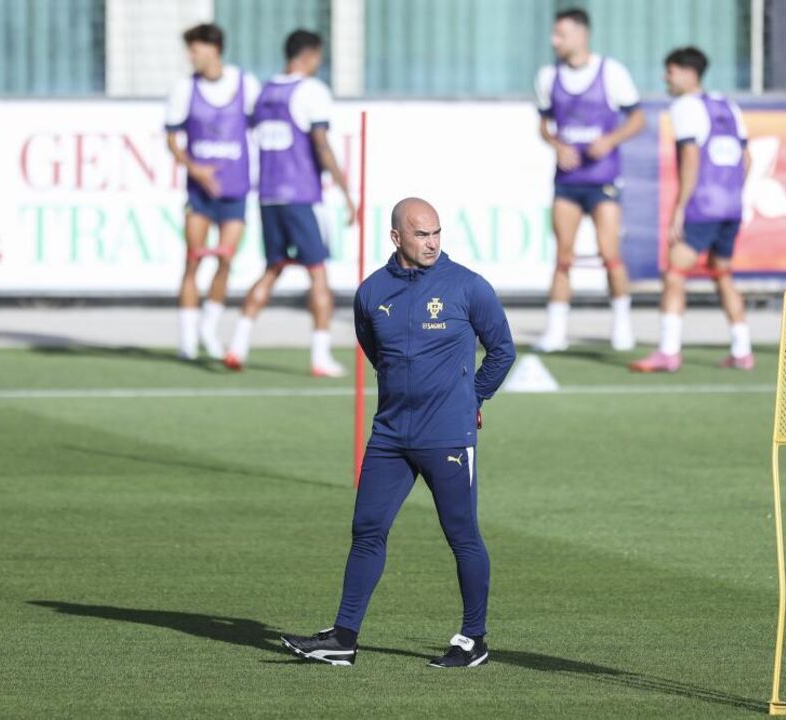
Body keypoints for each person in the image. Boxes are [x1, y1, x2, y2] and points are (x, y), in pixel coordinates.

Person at [280, 198, 516, 668]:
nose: (431, 243)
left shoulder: (468, 287)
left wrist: (473, 400)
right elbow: (377, 354)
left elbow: (502, 351)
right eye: (421, 235)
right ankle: (343, 639)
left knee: (462, 535)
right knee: (366, 530)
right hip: (389, 436)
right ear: (396, 238)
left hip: (447, 437)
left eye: (436, 233)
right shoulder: (371, 293)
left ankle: (474, 640)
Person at [225, 29, 357, 376]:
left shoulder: (266, 91)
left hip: (269, 197)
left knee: (273, 269)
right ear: (311, 55)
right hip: (301, 194)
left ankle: (238, 344)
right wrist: (345, 190)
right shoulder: (312, 91)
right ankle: (320, 355)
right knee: (318, 275)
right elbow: (320, 143)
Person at [631, 47, 753, 372]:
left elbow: (690, 159)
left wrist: (680, 208)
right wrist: (735, 192)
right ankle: (743, 350)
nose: (665, 78)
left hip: (703, 206)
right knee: (723, 273)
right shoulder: (728, 105)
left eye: (669, 71)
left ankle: (669, 351)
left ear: (688, 73)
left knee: (674, 272)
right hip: (731, 206)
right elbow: (747, 158)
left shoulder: (685, 106)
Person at [533, 7, 645, 353]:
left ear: (582, 35)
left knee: (610, 253)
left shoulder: (610, 72)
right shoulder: (548, 77)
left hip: (603, 181)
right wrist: (556, 144)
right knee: (563, 255)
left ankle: (622, 325)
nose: (555, 41)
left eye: (561, 34)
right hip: (567, 182)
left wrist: (609, 141)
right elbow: (543, 123)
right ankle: (555, 330)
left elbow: (637, 118)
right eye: (554, 34)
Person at [165, 23, 259, 361]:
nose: (191, 56)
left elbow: (259, 128)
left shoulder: (244, 84)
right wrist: (195, 169)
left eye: (195, 49)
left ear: (213, 48)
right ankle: (187, 340)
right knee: (192, 261)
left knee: (225, 260)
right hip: (199, 193)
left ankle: (209, 328)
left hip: (234, 188)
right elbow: (172, 140)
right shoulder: (183, 90)